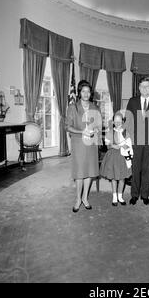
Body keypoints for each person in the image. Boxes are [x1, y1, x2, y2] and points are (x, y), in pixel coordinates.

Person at [125, 77, 149, 206]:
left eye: (147, 86)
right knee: (136, 168)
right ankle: (134, 195)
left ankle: (145, 195)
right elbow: (128, 120)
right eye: (142, 86)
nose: (145, 89)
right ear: (139, 88)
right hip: (136, 140)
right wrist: (129, 137)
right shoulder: (132, 101)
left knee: (147, 168)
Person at [66, 80, 102, 213]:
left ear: (90, 93)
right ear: (79, 93)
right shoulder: (73, 107)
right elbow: (68, 127)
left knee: (89, 172)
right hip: (79, 143)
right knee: (80, 173)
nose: (86, 94)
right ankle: (77, 199)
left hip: (91, 144)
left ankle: (85, 198)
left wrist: (97, 130)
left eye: (88, 91)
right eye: (83, 91)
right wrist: (82, 131)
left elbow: (99, 125)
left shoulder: (95, 107)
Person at [100, 113, 133, 206]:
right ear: (113, 122)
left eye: (120, 121)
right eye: (116, 121)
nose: (118, 123)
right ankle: (114, 196)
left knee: (122, 178)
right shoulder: (110, 132)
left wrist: (124, 145)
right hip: (113, 157)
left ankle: (120, 196)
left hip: (123, 157)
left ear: (122, 121)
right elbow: (107, 145)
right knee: (114, 177)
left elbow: (129, 145)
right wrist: (113, 145)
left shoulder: (126, 132)